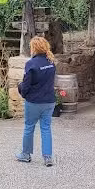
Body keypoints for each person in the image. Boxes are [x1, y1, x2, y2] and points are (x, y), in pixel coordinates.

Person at [15, 36, 57, 167]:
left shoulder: (31, 64)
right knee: (46, 128)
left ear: (34, 48)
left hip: (34, 101)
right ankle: (48, 157)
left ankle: (25, 155)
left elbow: (26, 85)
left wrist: (21, 89)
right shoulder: (51, 62)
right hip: (49, 100)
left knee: (29, 127)